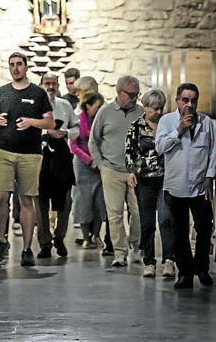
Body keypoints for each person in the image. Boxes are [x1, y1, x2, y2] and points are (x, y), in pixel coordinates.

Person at [0, 52, 54, 266]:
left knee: (26, 200)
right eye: (12, 65)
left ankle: (26, 249)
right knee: (0, 197)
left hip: (30, 153)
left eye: (19, 64)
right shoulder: (2, 92)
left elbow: (49, 123)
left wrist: (31, 122)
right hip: (4, 150)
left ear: (26, 67)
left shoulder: (37, 93)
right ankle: (1, 239)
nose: (15, 68)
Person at [156, 82, 216, 289]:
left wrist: (209, 177)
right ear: (177, 101)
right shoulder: (166, 121)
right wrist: (179, 130)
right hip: (175, 186)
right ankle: (185, 273)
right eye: (185, 100)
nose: (189, 105)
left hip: (200, 187)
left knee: (204, 227)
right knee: (179, 232)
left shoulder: (206, 122)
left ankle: (202, 267)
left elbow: (212, 151)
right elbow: (160, 148)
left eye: (193, 100)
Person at [88, 75, 143, 267]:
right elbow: (94, 140)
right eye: (131, 94)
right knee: (115, 214)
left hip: (136, 172)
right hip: (111, 169)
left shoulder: (141, 112)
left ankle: (135, 246)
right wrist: (101, 164)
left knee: (137, 212)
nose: (135, 98)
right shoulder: (105, 112)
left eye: (137, 94)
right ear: (119, 92)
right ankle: (120, 252)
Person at [125, 89, 176, 278]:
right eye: (154, 108)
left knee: (165, 219)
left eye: (161, 108)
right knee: (147, 222)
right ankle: (149, 261)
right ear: (145, 107)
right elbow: (129, 151)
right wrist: (130, 172)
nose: (158, 112)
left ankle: (169, 260)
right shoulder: (136, 127)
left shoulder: (167, 126)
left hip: (165, 178)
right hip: (144, 179)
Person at [36, 72, 79, 258]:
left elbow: (77, 127)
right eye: (47, 83)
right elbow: (26, 128)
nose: (51, 87)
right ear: (41, 84)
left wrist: (66, 133)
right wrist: (46, 133)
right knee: (41, 202)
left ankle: (60, 238)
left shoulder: (65, 105)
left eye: (54, 83)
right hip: (40, 157)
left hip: (62, 157)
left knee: (65, 202)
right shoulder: (34, 105)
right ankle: (44, 243)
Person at [70, 92, 107, 250]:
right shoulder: (78, 121)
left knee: (99, 200)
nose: (99, 110)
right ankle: (86, 237)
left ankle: (96, 234)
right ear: (88, 106)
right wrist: (88, 160)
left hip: (99, 165)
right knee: (84, 201)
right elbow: (73, 146)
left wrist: (99, 161)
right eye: (97, 107)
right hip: (82, 166)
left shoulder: (101, 121)